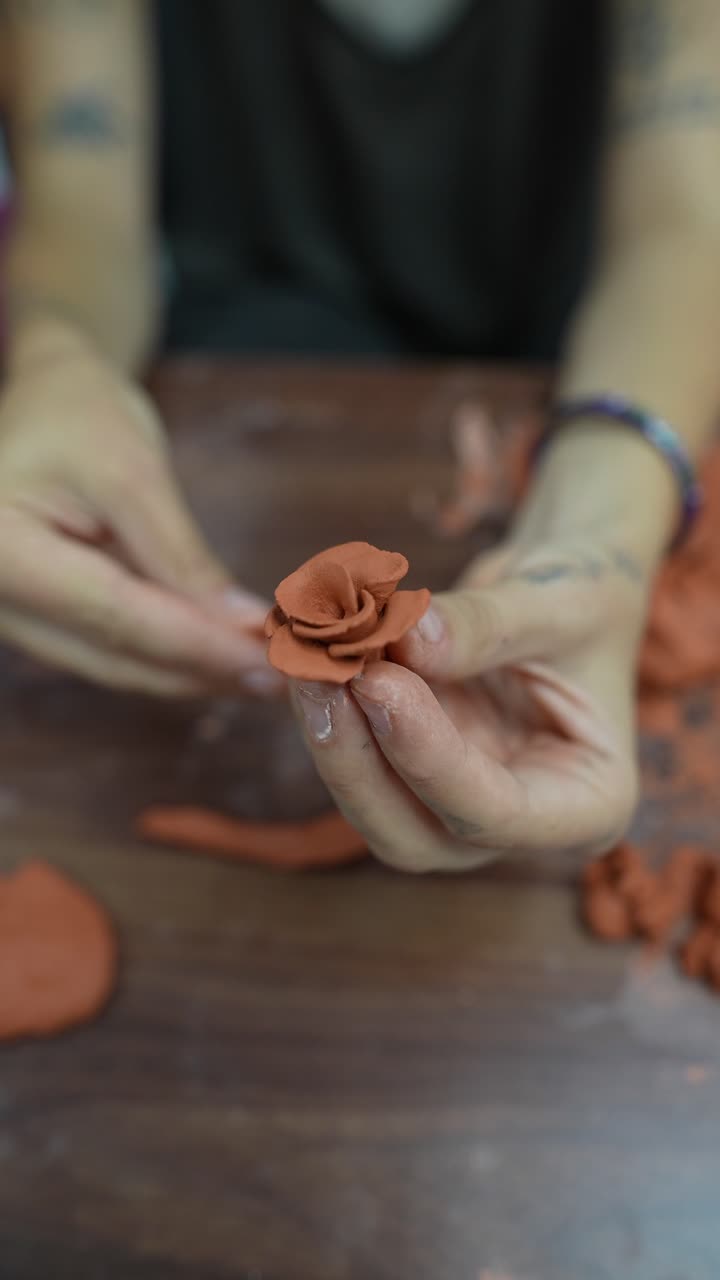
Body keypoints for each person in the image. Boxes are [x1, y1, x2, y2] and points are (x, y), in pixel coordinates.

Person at [1, 0, 719, 871]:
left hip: (573, 349)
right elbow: (80, 209)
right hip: (243, 351)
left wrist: (605, 519)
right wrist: (56, 358)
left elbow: (684, 221)